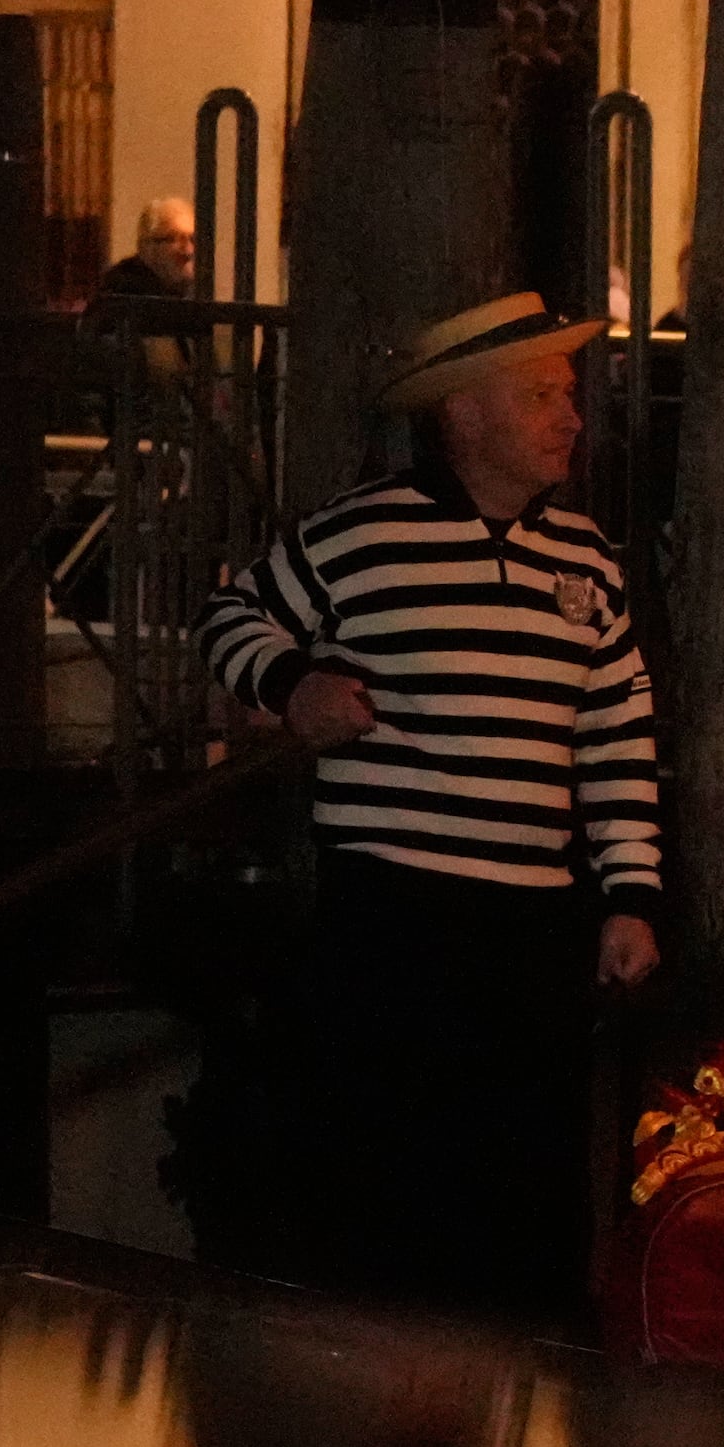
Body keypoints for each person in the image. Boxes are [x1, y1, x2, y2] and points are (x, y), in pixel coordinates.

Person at [193, 293, 661, 1319]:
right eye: (542, 395)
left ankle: (526, 1407)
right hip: (393, 922)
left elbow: (616, 733)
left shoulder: (587, 564)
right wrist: (295, 689)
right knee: (388, 1188)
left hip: (534, 928)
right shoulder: (362, 538)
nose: (571, 417)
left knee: (532, 1195)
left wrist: (628, 896)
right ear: (463, 416)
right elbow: (233, 615)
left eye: (569, 395)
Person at [98, 198, 199, 297]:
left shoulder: (199, 288)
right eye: (173, 239)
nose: (188, 251)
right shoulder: (119, 291)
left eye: (193, 239)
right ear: (146, 246)